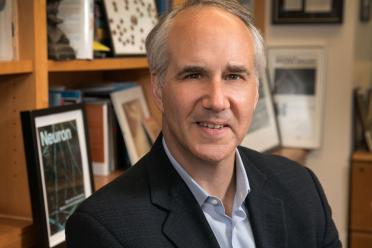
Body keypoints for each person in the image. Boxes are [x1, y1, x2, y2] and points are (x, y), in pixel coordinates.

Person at [66, 0, 341, 247]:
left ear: (256, 91)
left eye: (234, 76)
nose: (217, 101)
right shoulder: (104, 228)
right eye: (194, 74)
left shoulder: (302, 188)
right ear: (159, 89)